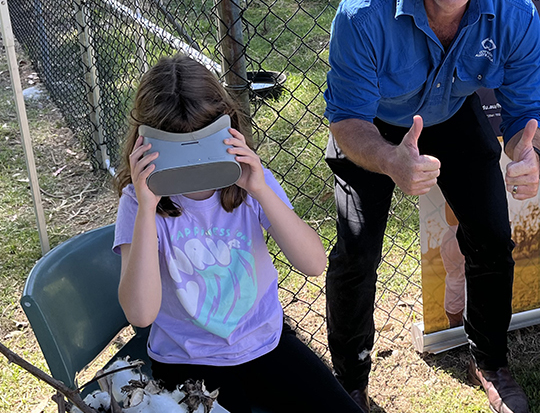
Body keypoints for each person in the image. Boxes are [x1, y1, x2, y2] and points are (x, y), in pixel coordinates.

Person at [323, 0, 540, 413]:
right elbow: (346, 120)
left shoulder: (515, 13)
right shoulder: (363, 13)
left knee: (493, 235)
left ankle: (491, 361)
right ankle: (350, 380)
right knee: (358, 250)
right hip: (373, 128)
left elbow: (529, 110)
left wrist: (532, 153)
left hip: (449, 113)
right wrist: (388, 160)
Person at [113, 55, 362, 413]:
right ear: (144, 144)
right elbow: (140, 314)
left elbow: (313, 263)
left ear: (228, 128)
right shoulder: (138, 203)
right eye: (176, 152)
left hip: (265, 343)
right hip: (187, 362)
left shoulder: (250, 183)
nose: (193, 168)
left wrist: (260, 190)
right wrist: (148, 208)